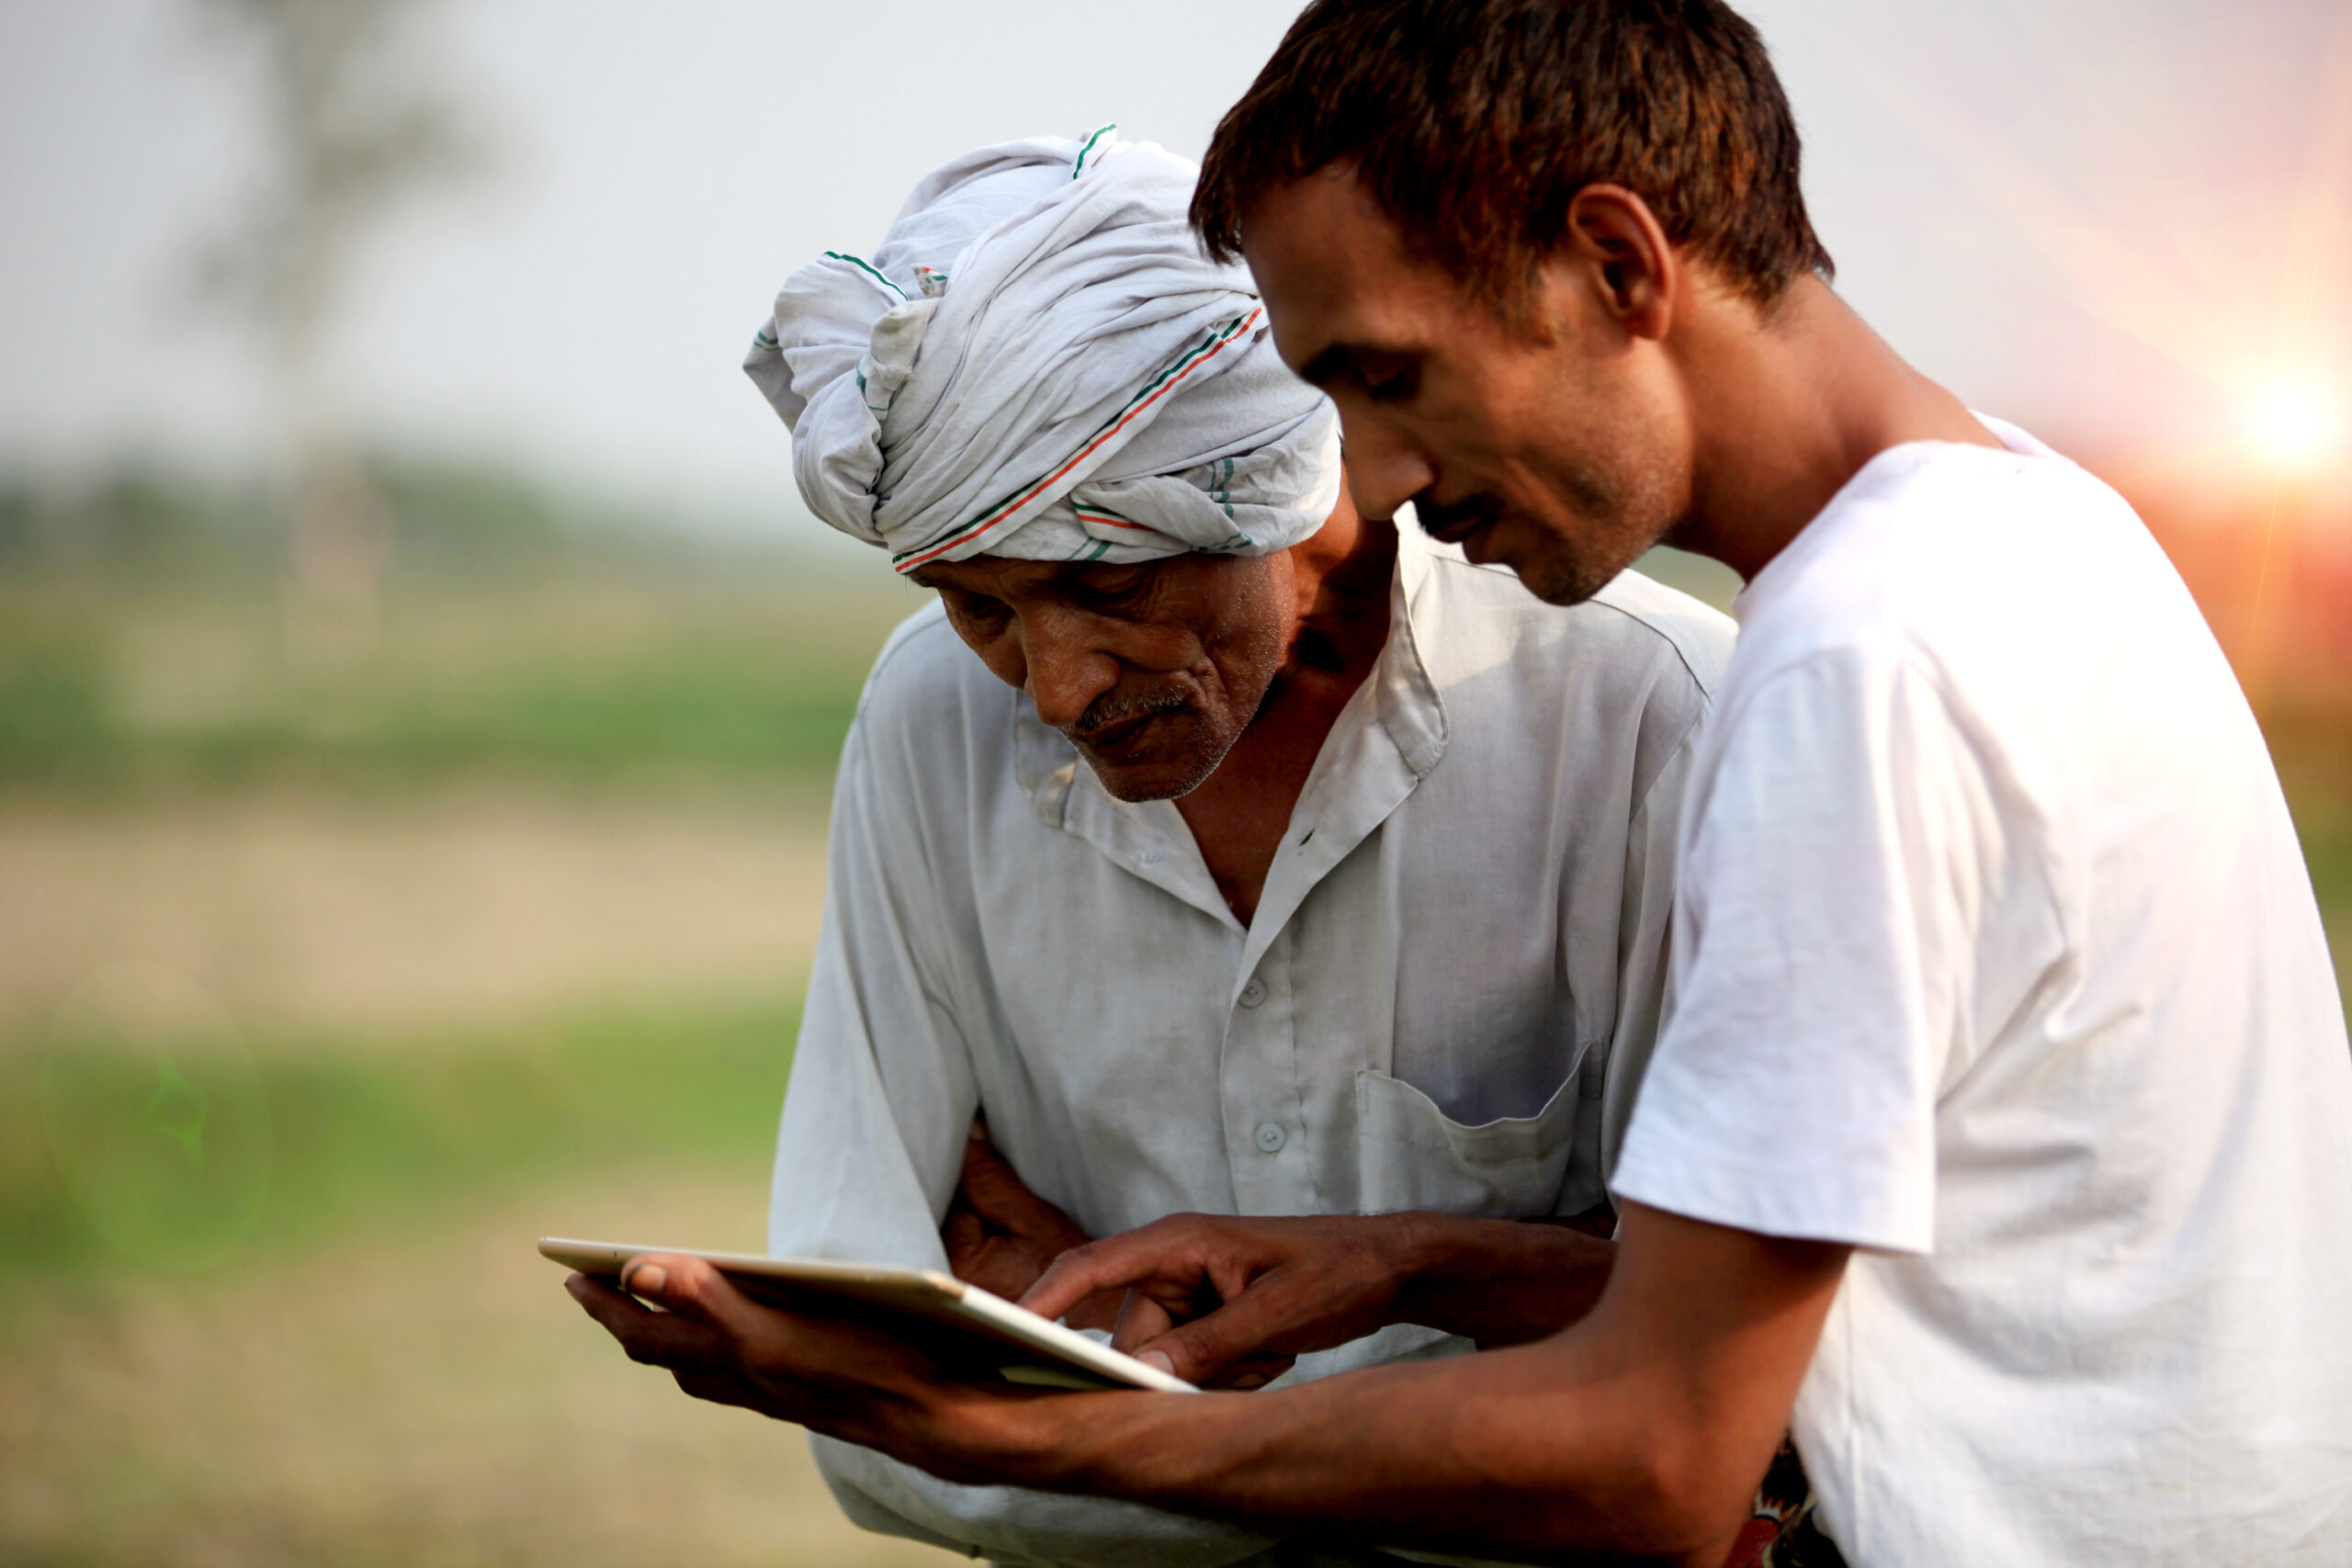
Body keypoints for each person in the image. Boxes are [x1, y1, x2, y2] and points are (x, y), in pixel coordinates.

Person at [569, 3, 2352, 1562]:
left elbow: (1663, 1453)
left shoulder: (1848, 672)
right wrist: (1407, 1265)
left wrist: (1034, 1425)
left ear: (1616, 262)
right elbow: (1880, 1295)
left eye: (1382, 378)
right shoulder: (2021, 522)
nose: (1370, 475)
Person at [723, 130, 1737, 1566]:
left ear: (1265, 474)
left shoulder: (1647, 716)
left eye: (1109, 583)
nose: (1058, 686)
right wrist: (1488, 1342)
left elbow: (1714, 1391)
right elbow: (868, 1391)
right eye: (982, 606)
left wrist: (1079, 1374)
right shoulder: (927, 721)